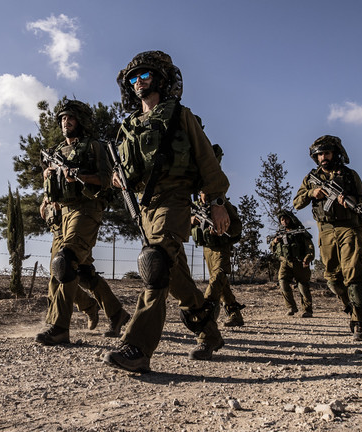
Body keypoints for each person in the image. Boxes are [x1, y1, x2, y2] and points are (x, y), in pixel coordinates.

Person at [103, 51, 229, 373]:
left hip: (175, 201)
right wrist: (118, 180)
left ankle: (138, 347)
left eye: (144, 75)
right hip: (145, 207)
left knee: (155, 264)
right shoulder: (128, 126)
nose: (138, 81)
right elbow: (128, 172)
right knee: (177, 280)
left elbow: (206, 159)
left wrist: (216, 203)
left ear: (159, 79)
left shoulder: (180, 115)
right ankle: (209, 333)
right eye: (133, 77)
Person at [36, 99, 130, 346]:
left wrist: (78, 176)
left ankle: (58, 328)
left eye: (71, 118)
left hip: (87, 209)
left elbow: (109, 180)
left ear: (82, 122)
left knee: (65, 263)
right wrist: (48, 184)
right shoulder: (56, 152)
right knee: (82, 273)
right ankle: (116, 313)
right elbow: (52, 190)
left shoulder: (95, 147)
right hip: (61, 216)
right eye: (63, 119)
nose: (66, 123)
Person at [294, 135, 362, 341]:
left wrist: (352, 202)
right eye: (319, 154)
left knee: (353, 275)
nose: (323, 157)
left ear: (334, 154)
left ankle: (360, 323)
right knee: (332, 279)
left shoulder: (349, 175)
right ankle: (352, 305)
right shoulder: (310, 178)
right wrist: (313, 192)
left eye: (326, 153)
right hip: (326, 231)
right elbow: (296, 203)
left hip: (350, 228)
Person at [191, 175, 246, 327]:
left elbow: (237, 227)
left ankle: (205, 311)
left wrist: (222, 229)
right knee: (222, 284)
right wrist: (191, 221)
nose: (205, 196)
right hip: (207, 249)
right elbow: (184, 227)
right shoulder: (194, 207)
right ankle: (235, 314)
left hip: (222, 248)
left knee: (217, 279)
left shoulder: (222, 205)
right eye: (202, 192)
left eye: (207, 192)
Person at [268, 210, 315, 317]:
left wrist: (308, 258)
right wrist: (274, 242)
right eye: (282, 220)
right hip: (285, 262)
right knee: (283, 283)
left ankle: (307, 310)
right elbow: (272, 248)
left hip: (299, 262)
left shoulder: (300, 232)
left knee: (303, 287)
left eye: (286, 218)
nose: (284, 221)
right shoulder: (280, 233)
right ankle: (291, 307)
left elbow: (310, 247)